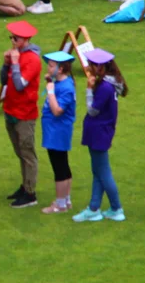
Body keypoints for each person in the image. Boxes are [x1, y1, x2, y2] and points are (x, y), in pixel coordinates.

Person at [73, 48, 127, 222]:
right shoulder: (108, 84)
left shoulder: (104, 87)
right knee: (97, 171)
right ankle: (94, 208)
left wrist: (88, 90)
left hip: (99, 132)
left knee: (103, 172)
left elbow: (92, 110)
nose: (88, 68)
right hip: (100, 132)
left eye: (90, 65)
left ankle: (116, 207)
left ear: (99, 67)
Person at [0, 20, 42, 209]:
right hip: (11, 110)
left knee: (27, 153)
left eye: (15, 38)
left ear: (25, 39)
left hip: (25, 113)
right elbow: (4, 80)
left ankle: (30, 193)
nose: (12, 41)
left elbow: (19, 85)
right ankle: (25, 186)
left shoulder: (32, 60)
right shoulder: (17, 55)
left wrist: (15, 64)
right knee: (20, 152)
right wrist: (6, 64)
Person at [39, 51, 77, 214]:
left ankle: (60, 205)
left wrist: (50, 91)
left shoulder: (66, 87)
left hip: (58, 132)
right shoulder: (61, 82)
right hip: (54, 131)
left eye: (51, 65)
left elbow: (57, 110)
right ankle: (66, 200)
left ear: (60, 69)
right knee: (63, 165)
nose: (48, 67)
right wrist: (50, 82)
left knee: (59, 167)